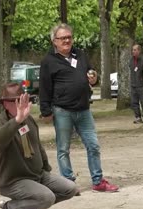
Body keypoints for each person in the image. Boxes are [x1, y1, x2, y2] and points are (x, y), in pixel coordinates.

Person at [39, 23, 119, 193]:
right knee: (63, 149)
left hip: (84, 109)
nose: (67, 40)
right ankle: (68, 184)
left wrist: (93, 77)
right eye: (63, 38)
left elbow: (90, 72)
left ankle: (98, 181)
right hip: (62, 111)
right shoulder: (48, 61)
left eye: (69, 37)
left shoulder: (80, 54)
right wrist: (45, 111)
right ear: (54, 41)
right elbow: (44, 87)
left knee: (93, 145)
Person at [0, 83, 78, 209]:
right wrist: (17, 121)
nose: (21, 104)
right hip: (14, 180)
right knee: (47, 197)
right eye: (16, 101)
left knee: (70, 188)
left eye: (23, 99)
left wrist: (45, 167)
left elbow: (37, 145)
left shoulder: (29, 120)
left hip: (36, 174)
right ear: (6, 104)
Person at [129, 44, 143, 124]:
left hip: (141, 85)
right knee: (134, 102)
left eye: (135, 50)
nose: (133, 51)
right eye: (133, 50)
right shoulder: (131, 60)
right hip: (133, 85)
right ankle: (138, 117)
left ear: (139, 51)